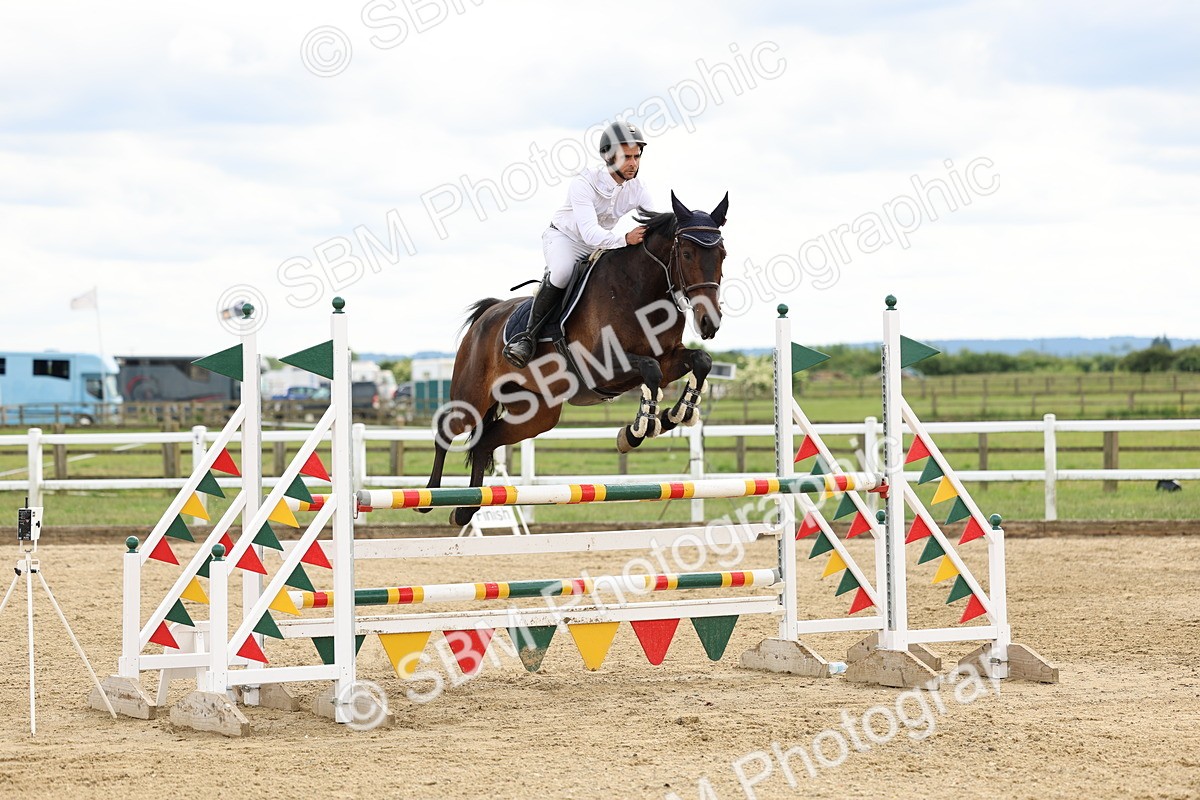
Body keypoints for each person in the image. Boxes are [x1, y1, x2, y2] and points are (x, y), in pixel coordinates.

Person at [502, 120, 656, 368]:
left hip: (600, 243)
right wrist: (624, 239)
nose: (633, 163)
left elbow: (654, 223)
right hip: (564, 239)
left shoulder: (637, 188)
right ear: (608, 155)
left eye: (637, 156)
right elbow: (590, 234)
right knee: (562, 273)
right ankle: (527, 337)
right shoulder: (584, 183)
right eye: (627, 157)